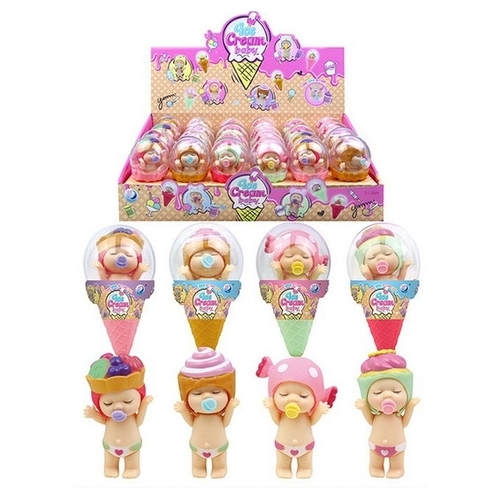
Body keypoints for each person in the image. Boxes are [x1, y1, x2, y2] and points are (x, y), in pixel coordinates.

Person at [256, 356, 337, 478]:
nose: (293, 399)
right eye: (284, 394)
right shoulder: (283, 415)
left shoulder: (306, 416)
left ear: (315, 398)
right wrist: (272, 407)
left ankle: (305, 467)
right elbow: (277, 421)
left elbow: (312, 421)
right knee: (283, 461)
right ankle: (283, 467)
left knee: (305, 461)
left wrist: (319, 411)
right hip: (283, 445)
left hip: (305, 446)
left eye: (303, 396)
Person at [84, 354, 153, 478]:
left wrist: (144, 405)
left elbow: (139, 421)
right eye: (108, 403)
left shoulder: (132, 418)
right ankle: (110, 467)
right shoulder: (109, 419)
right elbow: (103, 420)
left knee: (132, 460)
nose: (118, 407)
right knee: (110, 461)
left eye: (128, 401)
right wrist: (93, 414)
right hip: (109, 446)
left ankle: (132, 468)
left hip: (132, 446)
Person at [174, 347, 239, 478]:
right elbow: (191, 423)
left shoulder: (218, 417)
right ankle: (198, 467)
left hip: (219, 446)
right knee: (197, 462)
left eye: (216, 392)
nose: (207, 396)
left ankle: (220, 467)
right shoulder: (197, 417)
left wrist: (230, 408)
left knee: (219, 461)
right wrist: (183, 410)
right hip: (197, 447)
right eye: (197, 393)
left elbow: (225, 423)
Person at [355, 350, 419, 478]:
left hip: (397, 446)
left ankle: (397, 468)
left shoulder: (397, 416)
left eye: (396, 391)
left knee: (397, 462)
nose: (388, 395)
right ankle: (375, 466)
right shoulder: (377, 416)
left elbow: (405, 423)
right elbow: (370, 421)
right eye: (378, 393)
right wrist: (364, 408)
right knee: (375, 460)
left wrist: (410, 406)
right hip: (375, 445)